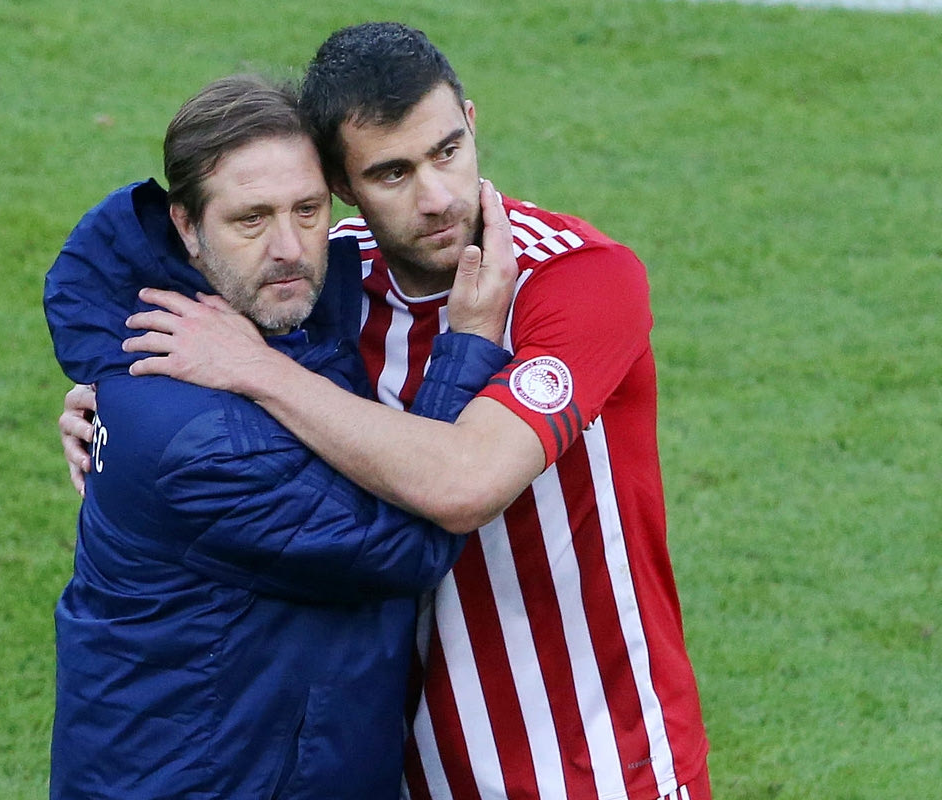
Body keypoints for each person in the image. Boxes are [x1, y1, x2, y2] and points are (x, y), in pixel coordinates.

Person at [63, 24, 712, 800]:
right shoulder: (323, 279)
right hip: (412, 766)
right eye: (393, 172)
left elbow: (466, 481)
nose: (436, 198)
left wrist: (260, 374)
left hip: (592, 760)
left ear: (471, 122)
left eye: (447, 152)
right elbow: (179, 372)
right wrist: (108, 420)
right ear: (344, 183)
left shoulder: (576, 281)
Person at [43, 74, 520, 799]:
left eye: (307, 209)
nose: (290, 248)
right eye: (251, 219)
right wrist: (471, 342)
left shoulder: (247, 327)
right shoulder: (201, 438)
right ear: (186, 225)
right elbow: (411, 541)